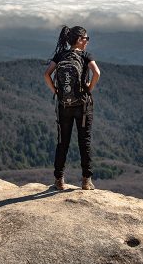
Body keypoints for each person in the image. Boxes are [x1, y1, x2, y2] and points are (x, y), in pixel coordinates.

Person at [43, 26, 101, 190]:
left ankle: (59, 180)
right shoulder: (85, 56)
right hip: (82, 105)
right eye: (86, 39)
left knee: (63, 142)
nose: (87, 42)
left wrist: (56, 91)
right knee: (85, 142)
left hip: (64, 105)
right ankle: (86, 181)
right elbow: (97, 73)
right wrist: (88, 88)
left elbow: (46, 74)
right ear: (80, 40)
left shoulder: (61, 55)